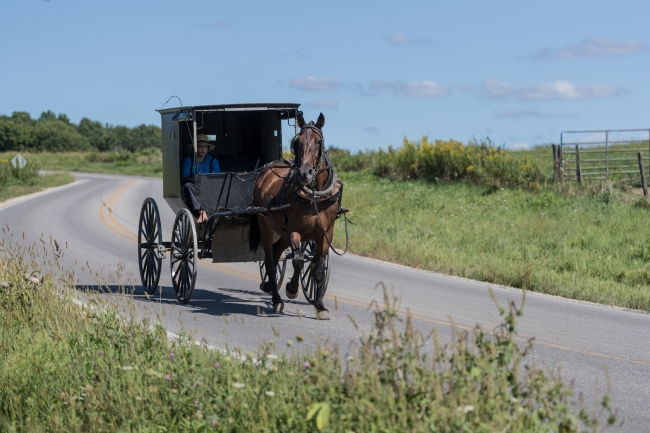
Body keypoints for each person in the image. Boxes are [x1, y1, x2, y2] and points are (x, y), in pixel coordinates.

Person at [182, 133, 221, 223]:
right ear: (195, 148)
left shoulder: (213, 161)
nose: (203, 149)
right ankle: (202, 212)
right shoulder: (188, 160)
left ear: (208, 148)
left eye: (205, 147)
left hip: (210, 187)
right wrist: (197, 181)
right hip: (194, 187)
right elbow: (185, 177)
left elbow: (218, 178)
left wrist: (206, 182)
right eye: (200, 147)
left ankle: (209, 213)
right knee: (187, 185)